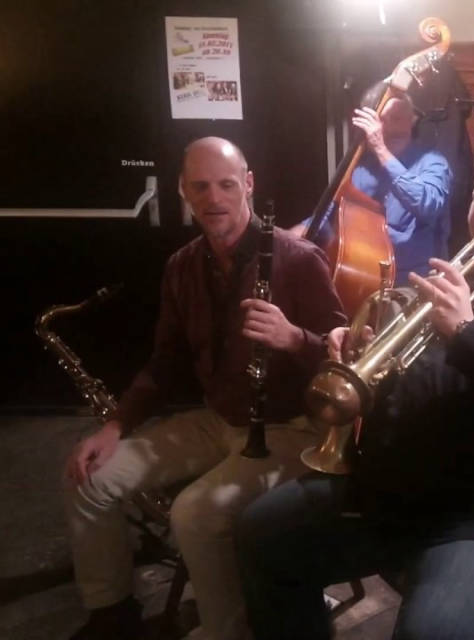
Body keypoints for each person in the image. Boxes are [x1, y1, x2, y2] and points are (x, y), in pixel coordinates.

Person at [235, 132, 474, 640]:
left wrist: (467, 333)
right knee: (260, 535)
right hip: (410, 492)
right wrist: (363, 355)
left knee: (432, 633)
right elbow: (418, 387)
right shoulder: (461, 286)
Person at [63, 137, 346, 640]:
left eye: (226, 185)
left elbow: (345, 363)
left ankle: (227, 631)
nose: (214, 198)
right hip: (218, 417)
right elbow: (166, 362)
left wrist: (292, 338)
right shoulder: (182, 266)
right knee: (89, 477)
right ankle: (112, 613)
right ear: (183, 191)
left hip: (289, 428)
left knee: (193, 513)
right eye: (200, 187)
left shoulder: (299, 259)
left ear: (249, 185)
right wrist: (116, 425)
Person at [350, 93, 453, 283]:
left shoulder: (433, 162)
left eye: (397, 118)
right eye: (382, 119)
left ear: (412, 120)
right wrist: (303, 231)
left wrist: (381, 149)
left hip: (416, 280)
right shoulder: (362, 169)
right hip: (364, 273)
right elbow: (336, 211)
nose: (388, 126)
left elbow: (427, 205)